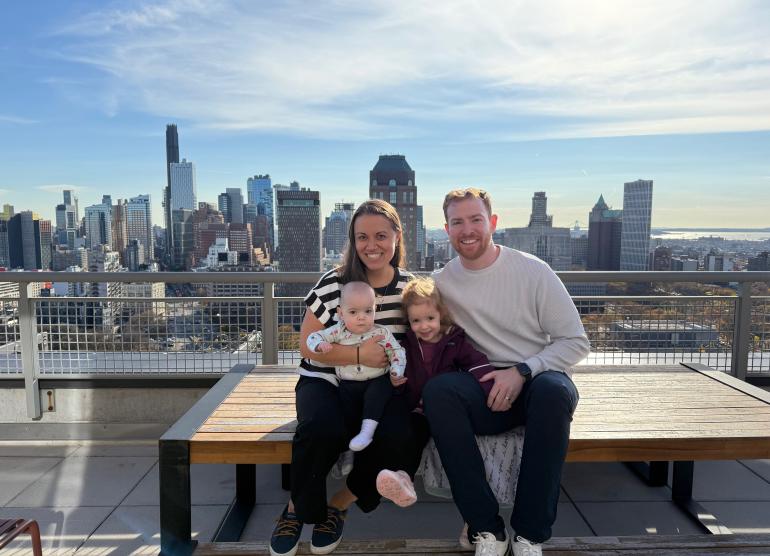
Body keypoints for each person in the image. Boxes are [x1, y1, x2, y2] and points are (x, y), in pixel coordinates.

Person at [423, 188, 590, 556]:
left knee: (554, 393)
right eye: (457, 222)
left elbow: (576, 342)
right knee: (438, 393)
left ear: (493, 222)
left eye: (475, 219)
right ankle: (487, 529)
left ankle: (530, 535)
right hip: (480, 385)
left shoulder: (533, 271)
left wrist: (523, 370)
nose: (467, 230)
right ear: (446, 229)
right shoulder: (441, 282)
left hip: (534, 381)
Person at [270, 199, 413, 556]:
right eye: (362, 236)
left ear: (397, 236)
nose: (372, 245)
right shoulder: (334, 283)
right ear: (352, 240)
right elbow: (307, 344)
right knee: (320, 427)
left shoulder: (410, 288)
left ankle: (340, 503)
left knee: (401, 433)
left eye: (381, 235)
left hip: (378, 386)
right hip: (325, 379)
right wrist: (359, 354)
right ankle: (297, 510)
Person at [375, 276, 495, 508]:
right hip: (416, 406)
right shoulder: (408, 344)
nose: (424, 326)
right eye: (416, 320)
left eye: (430, 318)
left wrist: (491, 390)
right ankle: (402, 478)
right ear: (409, 322)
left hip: (444, 410)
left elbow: (477, 364)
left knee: (427, 433)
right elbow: (396, 365)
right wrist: (395, 378)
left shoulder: (454, 342)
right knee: (407, 431)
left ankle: (407, 478)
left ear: (441, 315)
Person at [306, 281, 406, 452]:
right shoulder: (337, 331)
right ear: (341, 313)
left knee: (378, 394)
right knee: (346, 411)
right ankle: (348, 451)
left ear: (375, 310)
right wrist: (319, 345)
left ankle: (367, 431)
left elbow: (397, 351)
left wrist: (397, 370)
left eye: (368, 311)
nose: (362, 317)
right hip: (347, 383)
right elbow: (313, 337)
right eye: (353, 312)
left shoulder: (381, 333)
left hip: (377, 379)